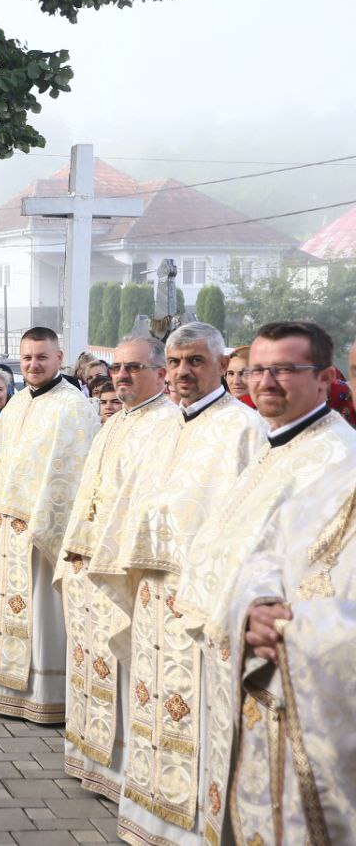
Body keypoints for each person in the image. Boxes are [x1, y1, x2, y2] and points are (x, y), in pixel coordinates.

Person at [87, 323, 267, 845]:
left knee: (197, 712)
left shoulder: (245, 430)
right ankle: (147, 816)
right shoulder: (161, 428)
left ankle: (194, 830)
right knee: (150, 701)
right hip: (150, 597)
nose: (183, 373)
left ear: (219, 364)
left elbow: (247, 527)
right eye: (175, 362)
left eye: (196, 361)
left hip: (201, 605)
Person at [176, 321, 352, 845]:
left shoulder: (338, 458)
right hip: (245, 667)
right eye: (258, 369)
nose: (267, 381)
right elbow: (251, 553)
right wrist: (244, 606)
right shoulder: (272, 447)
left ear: (323, 379)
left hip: (292, 683)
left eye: (285, 370)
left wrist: (281, 625)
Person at [53, 337, 177, 803]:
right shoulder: (114, 423)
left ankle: (124, 766)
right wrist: (74, 546)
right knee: (91, 664)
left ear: (160, 372)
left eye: (134, 368)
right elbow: (90, 492)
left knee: (122, 665)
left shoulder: (167, 425)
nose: (122, 376)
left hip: (120, 571)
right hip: (88, 564)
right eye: (118, 368)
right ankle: (92, 761)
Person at [210, 460, 356, 845]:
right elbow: (267, 555)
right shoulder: (334, 475)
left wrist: (299, 628)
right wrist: (257, 604)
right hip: (287, 715)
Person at [0, 326, 98, 724]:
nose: (33, 364)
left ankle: (46, 695)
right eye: (27, 357)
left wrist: (45, 525)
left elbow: (72, 474)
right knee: (7, 611)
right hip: (8, 527)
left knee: (42, 615)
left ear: (60, 358)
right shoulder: (17, 402)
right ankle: (7, 690)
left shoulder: (73, 406)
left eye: (42, 356)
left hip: (43, 530)